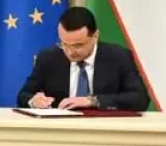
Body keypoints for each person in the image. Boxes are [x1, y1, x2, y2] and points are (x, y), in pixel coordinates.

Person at [16, 6, 150, 112]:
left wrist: (93, 101)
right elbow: (23, 95)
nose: (70, 52)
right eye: (64, 44)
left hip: (104, 131)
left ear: (95, 36)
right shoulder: (48, 58)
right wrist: (34, 101)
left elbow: (140, 99)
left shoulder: (118, 56)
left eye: (78, 45)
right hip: (61, 131)